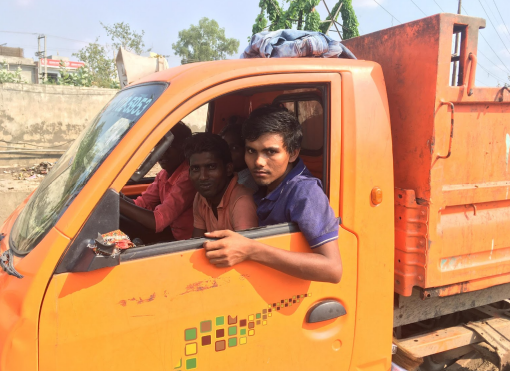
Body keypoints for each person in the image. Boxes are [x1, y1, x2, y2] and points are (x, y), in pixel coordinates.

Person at [201, 105, 342, 283]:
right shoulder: (259, 182)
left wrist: (251, 250)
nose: (258, 162)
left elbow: (332, 269)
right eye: (251, 151)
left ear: (293, 153)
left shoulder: (305, 193)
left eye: (271, 152)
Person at [119, 122, 196, 243]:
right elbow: (142, 203)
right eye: (158, 147)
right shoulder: (163, 174)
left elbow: (158, 222)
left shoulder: (188, 178)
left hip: (185, 242)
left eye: (168, 147)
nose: (162, 153)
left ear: (184, 148)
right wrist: (118, 197)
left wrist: (119, 203)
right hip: (172, 232)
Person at [183, 133, 258, 238]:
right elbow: (196, 242)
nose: (203, 177)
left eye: (211, 167)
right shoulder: (200, 198)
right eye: (196, 169)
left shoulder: (242, 202)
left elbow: (246, 251)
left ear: (228, 169)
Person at [219, 121, 258, 192]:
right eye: (223, 148)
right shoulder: (232, 176)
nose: (226, 153)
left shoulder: (245, 185)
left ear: (248, 150)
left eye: (234, 148)